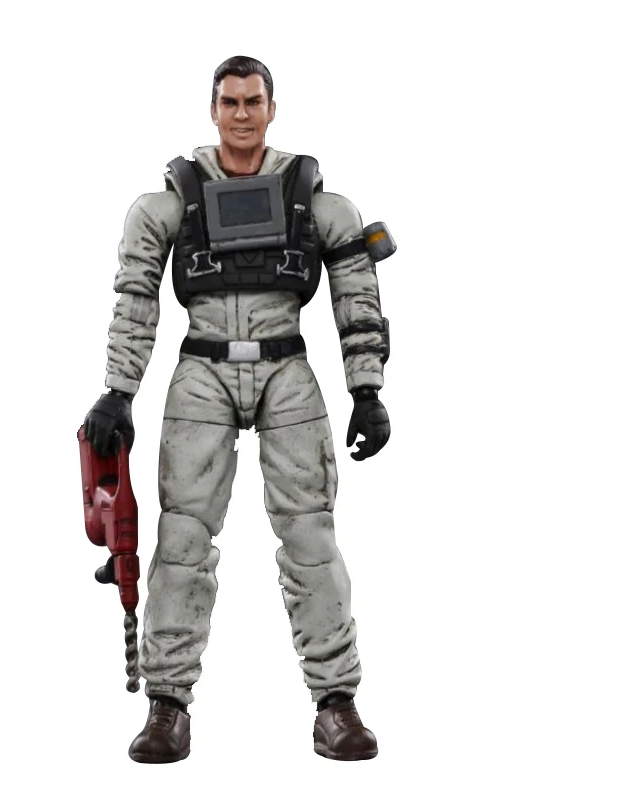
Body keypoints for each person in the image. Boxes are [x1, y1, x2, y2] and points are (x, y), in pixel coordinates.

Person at [83, 55, 391, 762]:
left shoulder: (320, 204)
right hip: (203, 367)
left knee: (311, 538)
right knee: (181, 541)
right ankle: (167, 704)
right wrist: (118, 391)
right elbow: (135, 298)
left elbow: (358, 296)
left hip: (287, 367)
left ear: (271, 108)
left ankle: (336, 702)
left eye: (254, 101)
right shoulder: (166, 205)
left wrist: (367, 389)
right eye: (231, 102)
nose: (243, 114)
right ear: (214, 109)